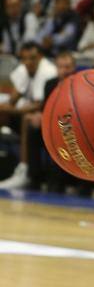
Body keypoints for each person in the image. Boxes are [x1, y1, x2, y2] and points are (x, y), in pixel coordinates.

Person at [0, 51, 75, 190]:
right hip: (52, 128)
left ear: (74, 68)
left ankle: (61, 182)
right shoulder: (50, 84)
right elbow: (45, 108)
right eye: (61, 67)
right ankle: (31, 175)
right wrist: (39, 116)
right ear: (56, 68)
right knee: (32, 126)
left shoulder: (79, 86)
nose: (64, 71)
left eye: (68, 67)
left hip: (73, 132)